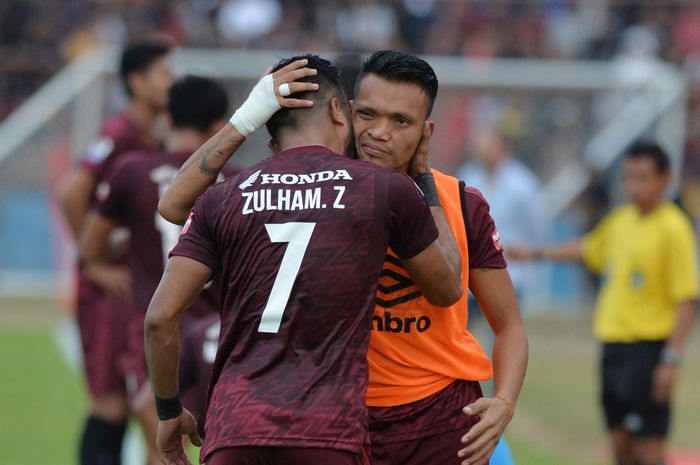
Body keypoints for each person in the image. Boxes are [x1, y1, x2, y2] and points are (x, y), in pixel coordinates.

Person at [159, 50, 529, 465]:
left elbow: (509, 324)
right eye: (367, 115)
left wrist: (506, 401)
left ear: (427, 131)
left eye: (401, 121)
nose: (380, 133)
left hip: (437, 418)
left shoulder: (463, 204)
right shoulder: (307, 189)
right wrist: (251, 113)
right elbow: (174, 204)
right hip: (336, 421)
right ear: (344, 111)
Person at [510, 141, 698, 465]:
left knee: (648, 449)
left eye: (642, 178)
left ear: (664, 179)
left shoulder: (674, 227)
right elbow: (589, 249)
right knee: (620, 444)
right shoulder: (622, 219)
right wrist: (536, 254)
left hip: (648, 349)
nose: (633, 186)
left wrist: (670, 359)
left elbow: (687, 298)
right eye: (628, 178)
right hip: (613, 347)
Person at [79, 76, 232, 452]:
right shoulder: (237, 180)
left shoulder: (132, 171)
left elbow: (90, 244)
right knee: (226, 439)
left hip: (157, 329)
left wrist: (99, 269)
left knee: (161, 435)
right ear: (219, 128)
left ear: (167, 121)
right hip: (218, 331)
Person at [56, 41, 173, 465]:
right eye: (163, 73)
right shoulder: (118, 134)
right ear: (136, 82)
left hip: (131, 286)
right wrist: (95, 263)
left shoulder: (150, 136)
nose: (171, 81)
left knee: (132, 398)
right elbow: (71, 192)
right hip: (108, 288)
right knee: (110, 400)